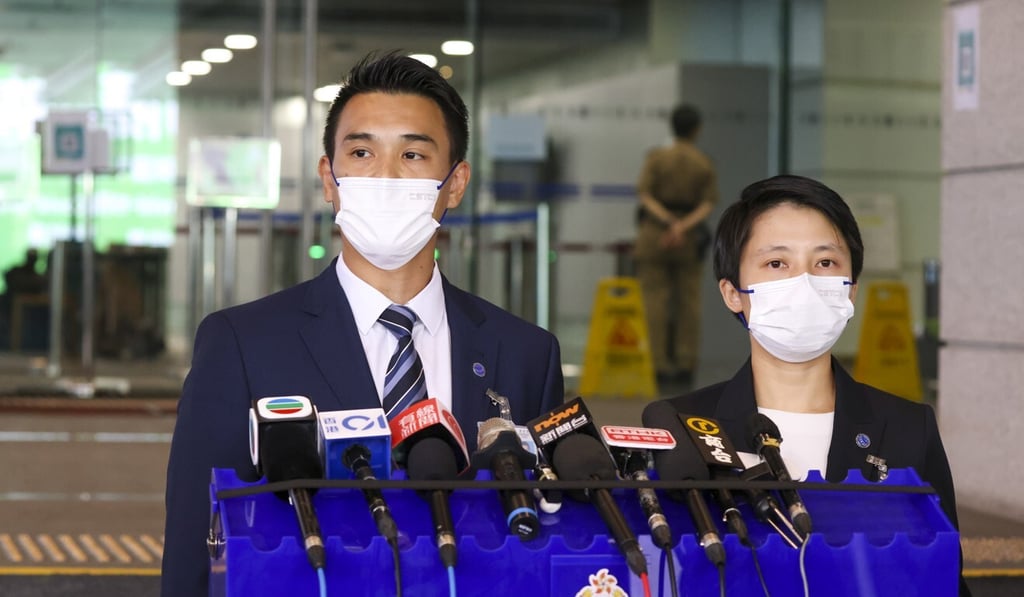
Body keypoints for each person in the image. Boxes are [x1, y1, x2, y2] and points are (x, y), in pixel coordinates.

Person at [161, 52, 565, 596]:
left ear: (455, 184)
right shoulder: (242, 345)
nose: (387, 177)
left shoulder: (525, 354)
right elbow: (196, 545)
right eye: (361, 152)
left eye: (414, 154)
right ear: (329, 179)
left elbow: (541, 547)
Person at [642, 174, 970, 596]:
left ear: (850, 290)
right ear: (732, 293)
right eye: (777, 264)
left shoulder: (908, 428)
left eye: (825, 263)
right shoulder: (681, 426)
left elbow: (943, 577)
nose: (804, 283)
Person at [634, 104, 718, 388]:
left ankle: (658, 364)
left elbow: (644, 194)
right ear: (697, 129)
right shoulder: (702, 161)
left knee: (654, 300)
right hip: (689, 237)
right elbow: (708, 203)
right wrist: (682, 226)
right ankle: (685, 363)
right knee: (689, 302)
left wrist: (668, 221)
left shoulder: (657, 158)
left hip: (654, 234)